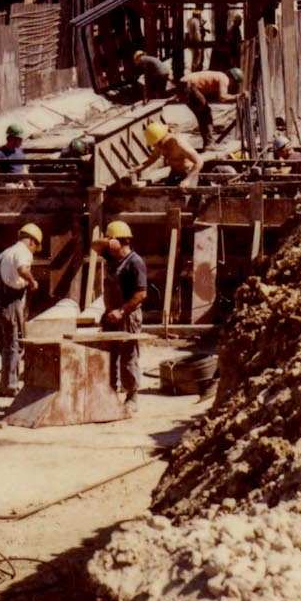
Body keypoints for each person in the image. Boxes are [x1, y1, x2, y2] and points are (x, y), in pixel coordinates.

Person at [98, 221, 148, 414]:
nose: (108, 246)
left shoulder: (135, 262)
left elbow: (141, 293)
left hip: (128, 315)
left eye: (111, 241)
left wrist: (122, 311)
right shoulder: (112, 261)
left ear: (121, 241)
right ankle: (110, 392)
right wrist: (108, 242)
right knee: (109, 355)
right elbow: (95, 247)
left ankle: (132, 396)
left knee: (128, 356)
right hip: (110, 315)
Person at [0, 222, 43, 398]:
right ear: (32, 242)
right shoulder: (23, 251)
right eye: (35, 247)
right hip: (10, 304)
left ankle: (4, 385)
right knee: (14, 345)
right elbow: (22, 269)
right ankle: (11, 386)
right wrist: (32, 281)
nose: (33, 251)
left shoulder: (5, 253)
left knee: (5, 347)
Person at [174, 67, 237, 139]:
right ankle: (209, 141)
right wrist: (237, 96)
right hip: (189, 85)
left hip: (184, 83)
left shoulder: (220, 75)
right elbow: (223, 97)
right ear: (233, 79)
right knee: (205, 113)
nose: (231, 85)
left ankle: (208, 138)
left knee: (202, 114)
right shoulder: (225, 78)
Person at [139, 120, 204, 189]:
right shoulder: (160, 144)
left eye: (157, 143)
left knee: (186, 192)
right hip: (174, 171)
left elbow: (199, 162)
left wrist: (187, 180)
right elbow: (154, 157)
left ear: (162, 138)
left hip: (189, 172)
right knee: (167, 192)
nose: (156, 146)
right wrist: (140, 168)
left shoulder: (180, 144)